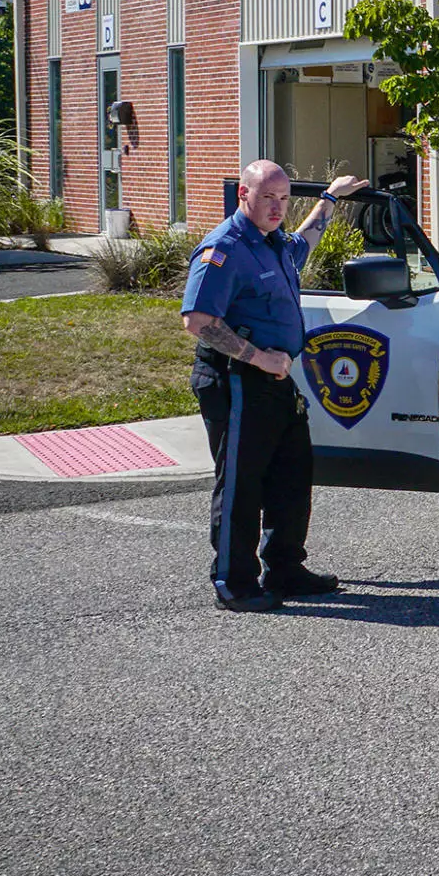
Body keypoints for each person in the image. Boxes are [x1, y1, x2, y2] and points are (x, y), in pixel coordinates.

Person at [181, 160, 366, 611]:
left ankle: (285, 568)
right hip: (237, 381)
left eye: (283, 199)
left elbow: (305, 242)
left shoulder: (273, 243)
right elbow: (198, 321)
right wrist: (258, 357)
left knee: (291, 475)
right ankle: (234, 581)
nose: (277, 207)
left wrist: (329, 198)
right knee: (242, 484)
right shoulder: (223, 249)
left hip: (276, 382)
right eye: (267, 197)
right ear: (243, 195)